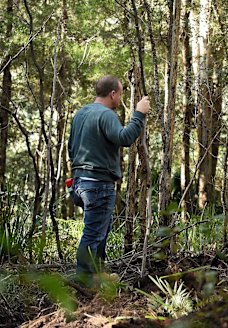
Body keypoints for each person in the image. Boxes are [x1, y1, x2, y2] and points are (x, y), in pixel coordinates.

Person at [68, 75, 150, 286]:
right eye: (120, 93)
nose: (120, 97)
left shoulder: (80, 114)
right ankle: (84, 277)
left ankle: (96, 274)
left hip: (79, 182)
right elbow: (124, 138)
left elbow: (71, 147)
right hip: (97, 183)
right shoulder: (107, 115)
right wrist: (139, 114)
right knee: (94, 231)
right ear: (113, 93)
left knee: (100, 228)